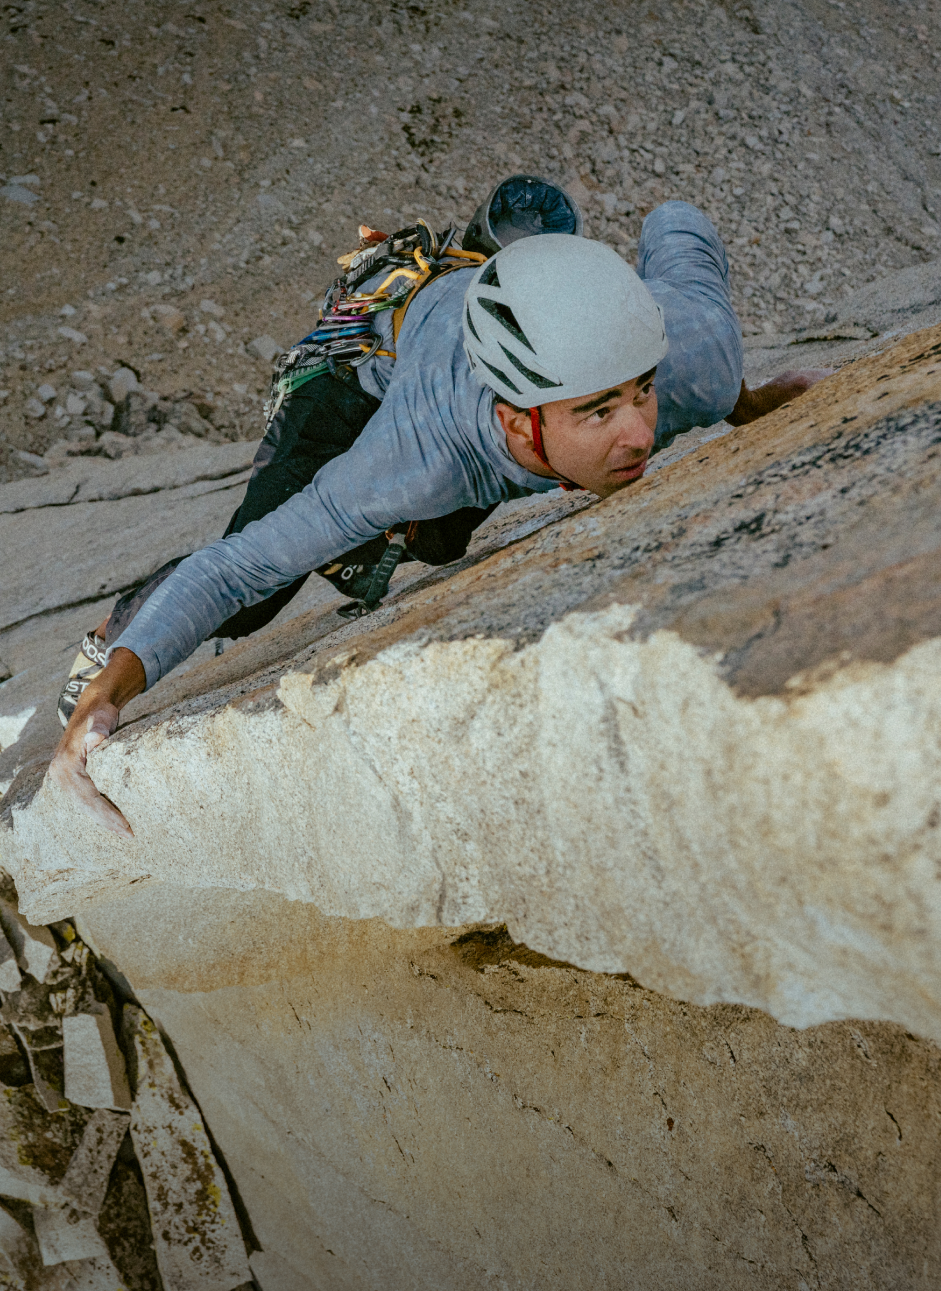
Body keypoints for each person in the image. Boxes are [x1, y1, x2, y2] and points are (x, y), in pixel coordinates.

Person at [49, 194, 828, 836]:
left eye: (643, 393)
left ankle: (496, 262)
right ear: (518, 422)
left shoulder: (694, 358)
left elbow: (675, 222)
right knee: (267, 597)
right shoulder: (414, 458)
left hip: (476, 335)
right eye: (597, 412)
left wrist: (742, 402)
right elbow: (238, 569)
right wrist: (106, 697)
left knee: (440, 539)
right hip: (361, 369)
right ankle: (109, 636)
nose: (638, 436)